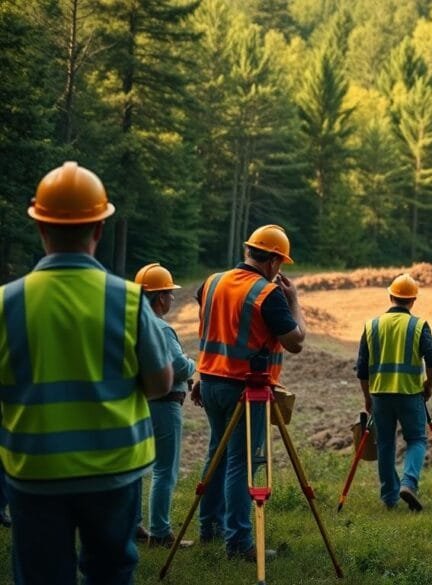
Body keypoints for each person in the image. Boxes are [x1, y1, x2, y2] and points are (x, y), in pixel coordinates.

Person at [0, 162, 172, 585]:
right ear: (99, 229)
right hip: (112, 470)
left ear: (41, 229)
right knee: (110, 572)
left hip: (34, 472)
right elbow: (161, 384)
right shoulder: (129, 301)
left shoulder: (7, 303)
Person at [193, 224, 306, 561]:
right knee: (240, 464)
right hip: (245, 389)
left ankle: (208, 528)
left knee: (217, 455)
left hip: (209, 382)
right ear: (272, 260)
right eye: (281, 263)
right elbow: (296, 341)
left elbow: (216, 320)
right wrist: (294, 300)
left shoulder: (212, 282)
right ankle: (239, 542)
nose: (280, 270)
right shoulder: (266, 294)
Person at [356, 274, 432, 512]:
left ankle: (389, 498)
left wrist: (367, 398)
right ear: (412, 300)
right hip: (410, 393)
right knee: (416, 440)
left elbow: (362, 368)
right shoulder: (418, 326)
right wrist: (429, 384)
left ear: (390, 296)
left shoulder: (372, 326)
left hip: (380, 395)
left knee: (384, 444)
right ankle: (409, 483)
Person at [133, 263, 196, 548]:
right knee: (164, 469)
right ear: (160, 298)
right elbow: (179, 367)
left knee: (136, 467)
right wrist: (195, 363)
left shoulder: (134, 323)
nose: (171, 299)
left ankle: (133, 524)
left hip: (139, 403)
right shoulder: (161, 327)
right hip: (165, 404)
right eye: (170, 294)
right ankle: (160, 532)